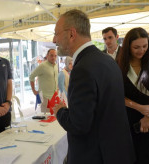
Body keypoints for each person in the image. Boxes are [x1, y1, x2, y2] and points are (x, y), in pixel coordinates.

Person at [52, 9, 135, 163]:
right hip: (115, 152)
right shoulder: (108, 60)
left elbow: (79, 125)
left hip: (95, 155)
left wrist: (60, 111)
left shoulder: (82, 68)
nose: (54, 40)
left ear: (71, 34)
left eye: (56, 33)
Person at [116, 27, 149, 164]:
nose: (141, 50)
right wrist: (140, 108)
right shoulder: (119, 65)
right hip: (130, 118)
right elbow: (115, 94)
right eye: (136, 47)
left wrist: (148, 116)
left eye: (145, 46)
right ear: (128, 46)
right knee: (132, 157)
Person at [29, 49, 58, 114]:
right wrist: (34, 90)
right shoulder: (42, 66)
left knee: (54, 118)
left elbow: (56, 79)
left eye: (55, 56)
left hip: (54, 97)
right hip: (45, 97)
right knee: (46, 120)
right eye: (51, 55)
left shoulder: (56, 66)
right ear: (47, 56)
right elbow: (31, 76)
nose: (53, 57)